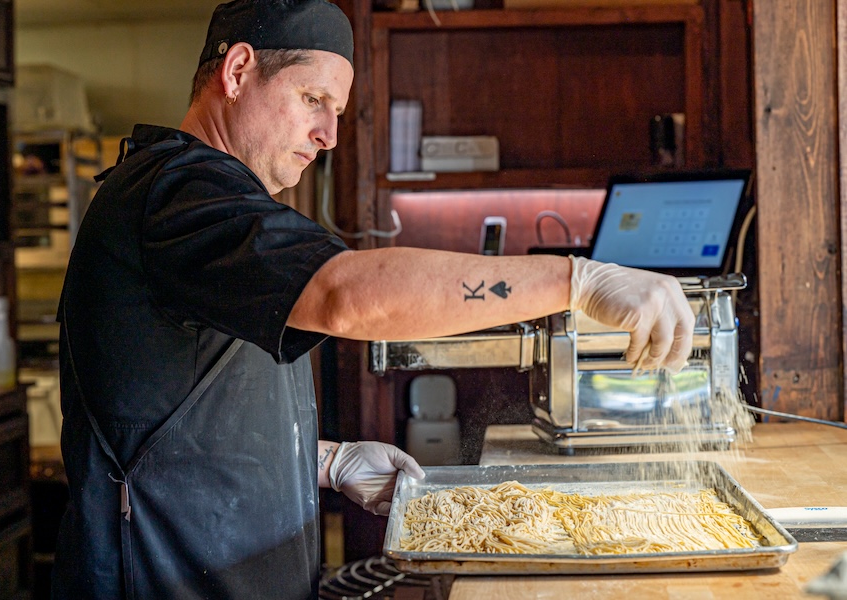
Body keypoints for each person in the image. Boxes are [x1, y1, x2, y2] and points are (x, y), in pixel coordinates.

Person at [51, 0, 696, 598]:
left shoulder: (211, 202)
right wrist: (575, 282)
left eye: (337, 110)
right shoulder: (176, 192)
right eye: (313, 100)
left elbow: (182, 407)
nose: (329, 134)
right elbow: (346, 295)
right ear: (239, 69)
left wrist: (326, 461)